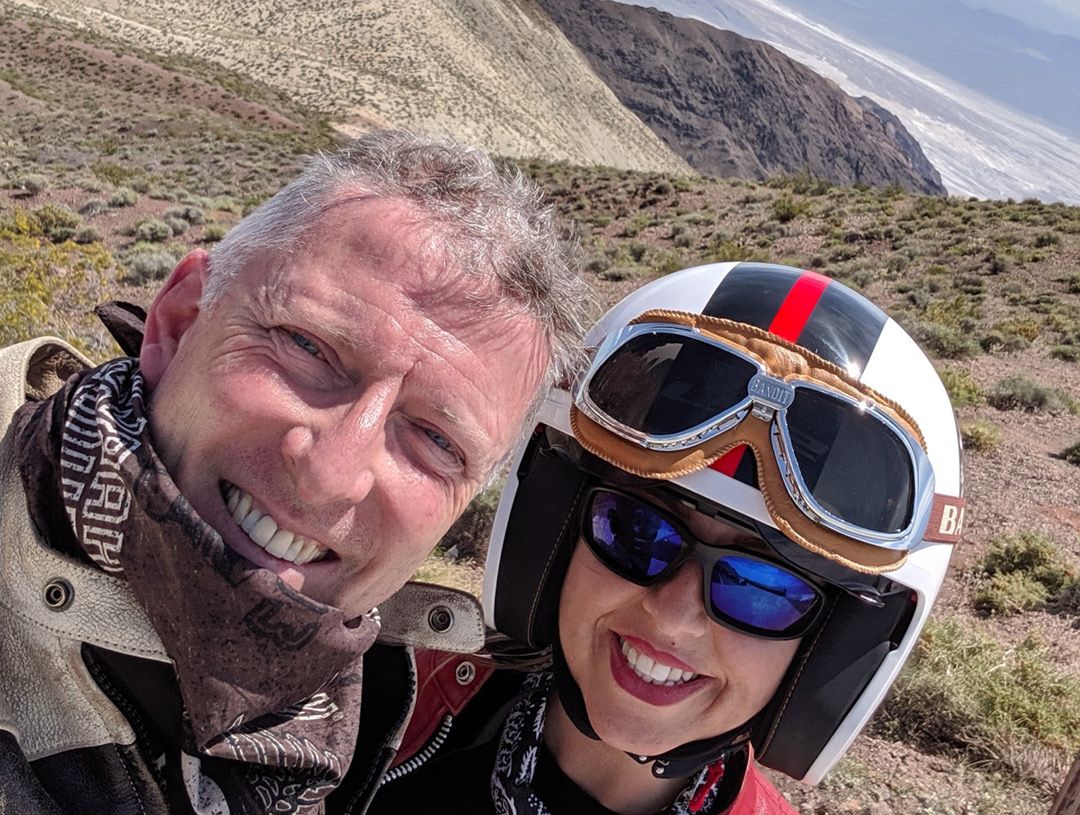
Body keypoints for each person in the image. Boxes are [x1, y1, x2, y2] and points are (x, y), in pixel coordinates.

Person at [0, 130, 588, 813]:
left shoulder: (386, 704)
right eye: (307, 347)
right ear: (179, 318)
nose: (333, 474)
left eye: (435, 438)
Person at [354, 261, 966, 814]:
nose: (674, 618)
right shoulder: (366, 699)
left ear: (832, 644)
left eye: (763, 588)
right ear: (556, 528)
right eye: (636, 531)